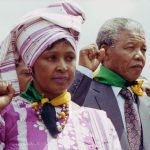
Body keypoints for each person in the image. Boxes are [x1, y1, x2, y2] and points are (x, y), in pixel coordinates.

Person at [0, 1, 121, 149]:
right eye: (52, 57)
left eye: (70, 58)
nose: (63, 67)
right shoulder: (7, 115)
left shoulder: (97, 121)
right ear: (31, 65)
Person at [69, 17, 150, 150]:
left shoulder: (145, 94)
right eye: (130, 47)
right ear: (104, 51)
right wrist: (83, 72)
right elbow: (59, 113)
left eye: (143, 50)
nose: (139, 55)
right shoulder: (84, 92)